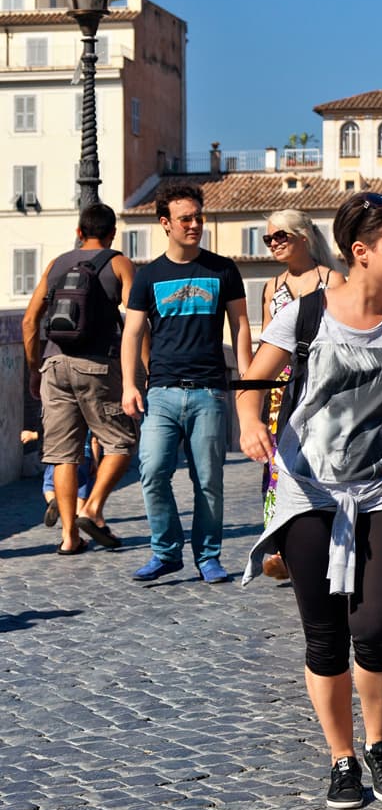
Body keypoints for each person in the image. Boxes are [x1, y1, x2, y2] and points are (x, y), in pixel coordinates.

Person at [236, 193, 382, 810]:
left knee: (374, 628)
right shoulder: (306, 315)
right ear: (362, 252)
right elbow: (254, 379)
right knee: (324, 636)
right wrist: (249, 424)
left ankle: (379, 745)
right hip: (307, 491)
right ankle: (340, 758)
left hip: (381, 491)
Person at [121, 182, 252, 583]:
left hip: (209, 390)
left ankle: (208, 556)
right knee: (153, 469)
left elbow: (241, 324)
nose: (195, 224)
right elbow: (132, 333)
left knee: (208, 480)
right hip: (160, 391)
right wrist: (130, 384)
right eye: (185, 219)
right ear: (166, 224)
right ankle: (166, 551)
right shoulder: (148, 277)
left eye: (198, 217)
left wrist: (247, 377)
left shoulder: (222, 269)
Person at [21, 203, 138, 555]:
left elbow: (29, 322)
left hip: (53, 365)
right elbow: (136, 321)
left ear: (78, 231)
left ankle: (70, 537)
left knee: (63, 455)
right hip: (98, 365)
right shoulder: (119, 263)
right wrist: (140, 371)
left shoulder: (56, 264)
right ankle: (93, 506)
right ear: (112, 233)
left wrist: (33, 370)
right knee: (122, 441)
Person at [259, 210, 345, 580]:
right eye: (269, 239)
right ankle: (281, 546)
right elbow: (265, 341)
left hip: (323, 387)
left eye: (280, 236)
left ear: (303, 237)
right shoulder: (271, 287)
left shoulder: (332, 280)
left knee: (324, 463)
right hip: (280, 391)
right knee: (277, 468)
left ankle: (331, 541)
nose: (274, 244)